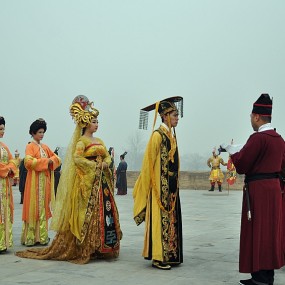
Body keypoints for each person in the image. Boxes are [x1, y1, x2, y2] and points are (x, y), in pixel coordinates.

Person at [16, 95, 122, 264]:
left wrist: (106, 163)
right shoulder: (81, 142)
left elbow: (108, 157)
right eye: (94, 121)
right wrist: (95, 166)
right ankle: (87, 246)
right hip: (87, 182)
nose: (97, 124)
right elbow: (77, 159)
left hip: (101, 183)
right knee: (86, 214)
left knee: (104, 212)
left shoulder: (99, 141)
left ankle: (102, 245)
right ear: (86, 123)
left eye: (97, 121)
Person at [220, 94, 285, 285]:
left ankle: (261, 278)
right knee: (269, 233)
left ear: (257, 117)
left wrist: (231, 151)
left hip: (258, 191)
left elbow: (242, 165)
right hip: (273, 190)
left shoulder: (257, 139)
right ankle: (265, 275)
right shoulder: (279, 140)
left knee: (258, 231)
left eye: (251, 116)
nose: (250, 120)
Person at [133, 96, 183, 270]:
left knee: (171, 221)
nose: (177, 118)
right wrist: (146, 187)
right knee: (160, 221)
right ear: (164, 115)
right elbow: (148, 163)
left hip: (171, 188)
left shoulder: (171, 135)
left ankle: (170, 254)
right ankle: (158, 257)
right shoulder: (157, 136)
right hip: (159, 189)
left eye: (177, 115)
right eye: (174, 115)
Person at [20, 118, 61, 246]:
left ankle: (42, 236)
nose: (42, 135)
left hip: (45, 183)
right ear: (33, 133)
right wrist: (46, 162)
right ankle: (31, 237)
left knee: (43, 208)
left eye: (43, 132)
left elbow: (57, 159)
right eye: (39, 132)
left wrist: (50, 161)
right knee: (33, 208)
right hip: (34, 184)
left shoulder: (45, 147)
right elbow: (28, 162)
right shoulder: (30, 146)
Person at [0, 116, 17, 253]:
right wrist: (7, 169)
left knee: (5, 210)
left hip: (4, 184)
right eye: (0, 129)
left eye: (3, 129)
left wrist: (10, 167)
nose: (2, 131)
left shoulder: (4, 147)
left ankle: (4, 242)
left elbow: (13, 160)